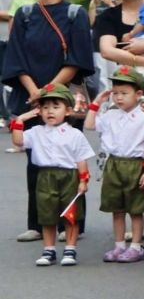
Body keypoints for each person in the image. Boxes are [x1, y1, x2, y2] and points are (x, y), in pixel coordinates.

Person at [3, 0, 93, 243]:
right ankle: (38, 222)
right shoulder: (26, 13)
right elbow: (15, 56)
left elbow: (78, 58)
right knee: (36, 160)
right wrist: (34, 92)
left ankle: (71, 222)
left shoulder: (75, 13)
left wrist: (49, 92)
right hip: (29, 96)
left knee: (68, 159)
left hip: (64, 96)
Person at [13, 85, 92, 266]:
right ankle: (49, 250)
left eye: (56, 107)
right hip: (45, 176)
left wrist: (83, 179)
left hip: (69, 175)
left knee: (71, 214)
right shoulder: (36, 132)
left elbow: (81, 159)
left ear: (68, 111)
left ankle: (70, 249)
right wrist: (20, 119)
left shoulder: (74, 134)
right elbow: (18, 141)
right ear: (39, 111)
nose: (50, 111)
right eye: (45, 107)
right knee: (46, 215)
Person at [88, 66, 144, 262]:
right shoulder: (110, 115)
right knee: (116, 208)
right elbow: (89, 125)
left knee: (135, 209)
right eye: (115, 93)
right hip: (114, 164)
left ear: (138, 94)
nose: (119, 98)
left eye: (124, 93)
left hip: (135, 164)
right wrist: (97, 102)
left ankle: (135, 246)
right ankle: (119, 246)